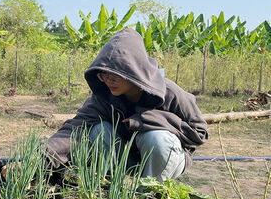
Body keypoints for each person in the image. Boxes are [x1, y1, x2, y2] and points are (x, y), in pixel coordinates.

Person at [46, 28, 208, 182]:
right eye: (104, 75)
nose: (109, 81)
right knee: (98, 130)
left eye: (115, 76)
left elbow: (200, 132)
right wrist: (43, 155)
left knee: (156, 138)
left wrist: (147, 121)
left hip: (166, 157)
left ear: (133, 71)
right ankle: (111, 188)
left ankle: (149, 195)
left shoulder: (169, 93)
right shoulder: (104, 97)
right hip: (128, 157)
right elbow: (74, 129)